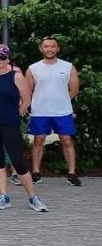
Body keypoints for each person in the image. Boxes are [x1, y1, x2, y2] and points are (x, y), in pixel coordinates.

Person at [0, 44, 48, 212]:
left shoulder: (16, 75)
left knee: (18, 161)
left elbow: (26, 100)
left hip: (10, 123)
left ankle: (33, 197)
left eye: (2, 57)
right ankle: (4, 196)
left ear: (8, 59)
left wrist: (16, 114)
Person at [26, 36, 81, 185]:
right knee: (38, 140)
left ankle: (72, 173)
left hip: (62, 111)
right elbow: (27, 91)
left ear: (58, 48)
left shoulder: (68, 67)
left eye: (52, 46)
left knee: (67, 140)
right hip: (40, 111)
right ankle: (36, 172)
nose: (49, 49)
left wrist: (62, 100)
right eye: (46, 46)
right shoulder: (33, 68)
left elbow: (75, 89)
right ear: (41, 49)